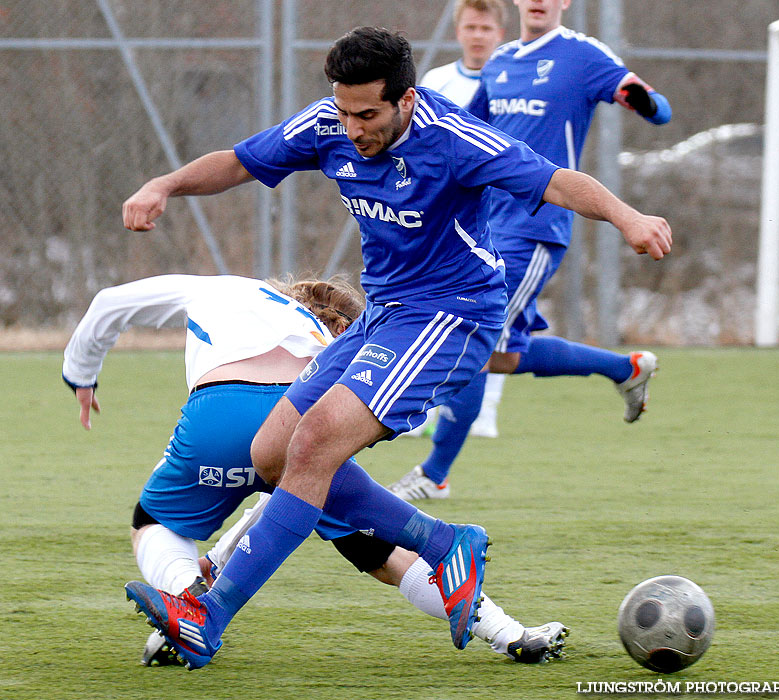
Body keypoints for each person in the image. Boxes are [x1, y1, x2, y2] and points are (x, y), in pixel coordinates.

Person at [121, 26, 671, 670]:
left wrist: (629, 217)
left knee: (315, 443)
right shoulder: (332, 122)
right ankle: (444, 542)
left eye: (368, 114)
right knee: (271, 452)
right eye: (345, 111)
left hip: (452, 315)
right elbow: (241, 160)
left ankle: (205, 618)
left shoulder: (455, 140)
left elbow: (556, 180)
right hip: (383, 316)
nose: (351, 127)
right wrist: (165, 184)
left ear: (407, 99)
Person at [62, 273, 566, 667]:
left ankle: (186, 603)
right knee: (381, 552)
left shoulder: (227, 289)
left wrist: (80, 374)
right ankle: (508, 632)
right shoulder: (335, 348)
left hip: (222, 412)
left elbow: (110, 302)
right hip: (309, 415)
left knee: (154, 523)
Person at [388, 0, 673, 501]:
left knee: (473, 338)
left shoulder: (583, 55)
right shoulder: (499, 64)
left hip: (536, 225)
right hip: (487, 224)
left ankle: (434, 475)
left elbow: (656, 107)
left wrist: (639, 98)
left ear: (565, 2)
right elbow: (467, 132)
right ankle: (625, 369)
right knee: (501, 355)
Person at [404, 0, 509, 440]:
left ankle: (484, 410)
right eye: (471, 26)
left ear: (500, 32)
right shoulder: (436, 82)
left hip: (506, 209)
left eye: (486, 27)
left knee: (499, 312)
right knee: (428, 301)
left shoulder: (513, 78)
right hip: (445, 215)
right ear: (459, 31)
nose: (479, 34)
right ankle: (420, 406)